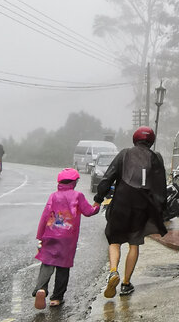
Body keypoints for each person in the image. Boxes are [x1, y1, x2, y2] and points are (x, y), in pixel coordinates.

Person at [94, 126, 167, 298]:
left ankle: (113, 272)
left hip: (121, 203)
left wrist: (99, 198)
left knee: (114, 241)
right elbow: (160, 186)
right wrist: (160, 210)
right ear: (151, 141)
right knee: (134, 244)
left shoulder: (124, 154)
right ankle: (126, 284)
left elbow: (107, 178)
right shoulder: (156, 158)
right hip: (142, 206)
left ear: (135, 138)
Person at [33, 168, 100, 308]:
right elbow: (88, 212)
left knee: (47, 262)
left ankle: (41, 289)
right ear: (74, 182)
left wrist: (40, 235)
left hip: (50, 234)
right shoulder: (78, 196)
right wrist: (97, 207)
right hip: (68, 238)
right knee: (63, 267)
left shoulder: (53, 196)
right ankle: (56, 298)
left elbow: (45, 216)